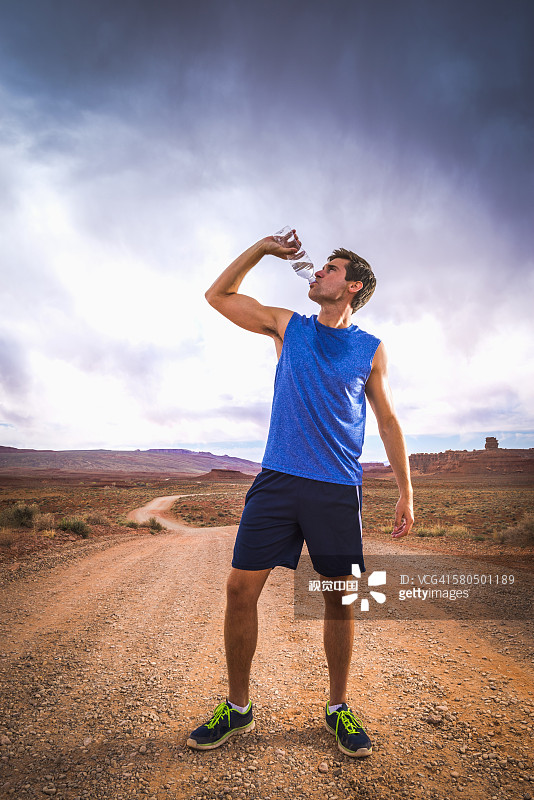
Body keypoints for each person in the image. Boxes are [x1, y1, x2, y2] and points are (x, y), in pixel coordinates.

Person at [187, 231, 414, 757]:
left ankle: (338, 708)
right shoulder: (289, 326)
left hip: (336, 488)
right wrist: (262, 249)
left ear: (352, 285)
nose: (317, 272)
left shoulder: (370, 349)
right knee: (241, 591)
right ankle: (237, 709)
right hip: (278, 481)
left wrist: (405, 490)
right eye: (320, 268)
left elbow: (387, 419)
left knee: (339, 600)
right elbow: (217, 297)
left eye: (329, 269)